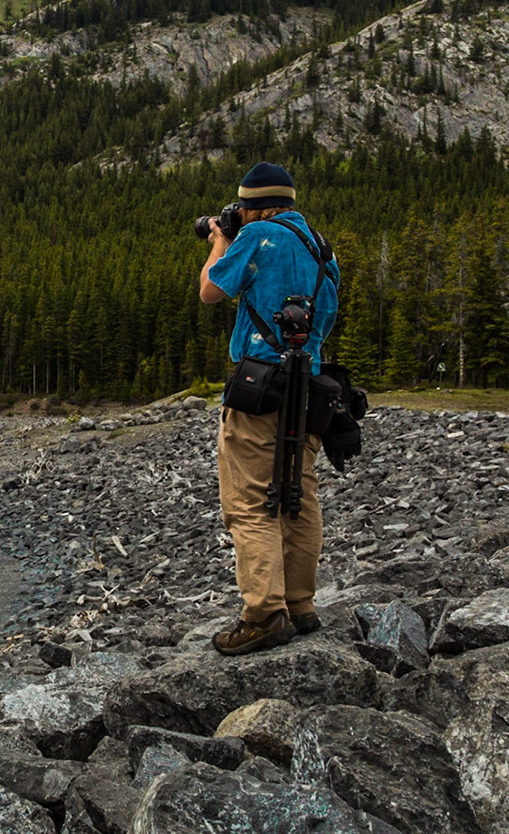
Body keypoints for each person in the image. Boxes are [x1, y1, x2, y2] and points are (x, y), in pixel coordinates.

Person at [197, 162, 340, 655]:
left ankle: (263, 613)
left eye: (241, 205)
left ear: (252, 206)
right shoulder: (321, 246)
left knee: (249, 500)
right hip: (310, 386)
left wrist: (219, 241)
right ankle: (300, 606)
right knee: (299, 493)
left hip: (259, 384)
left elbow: (211, 291)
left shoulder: (255, 235)